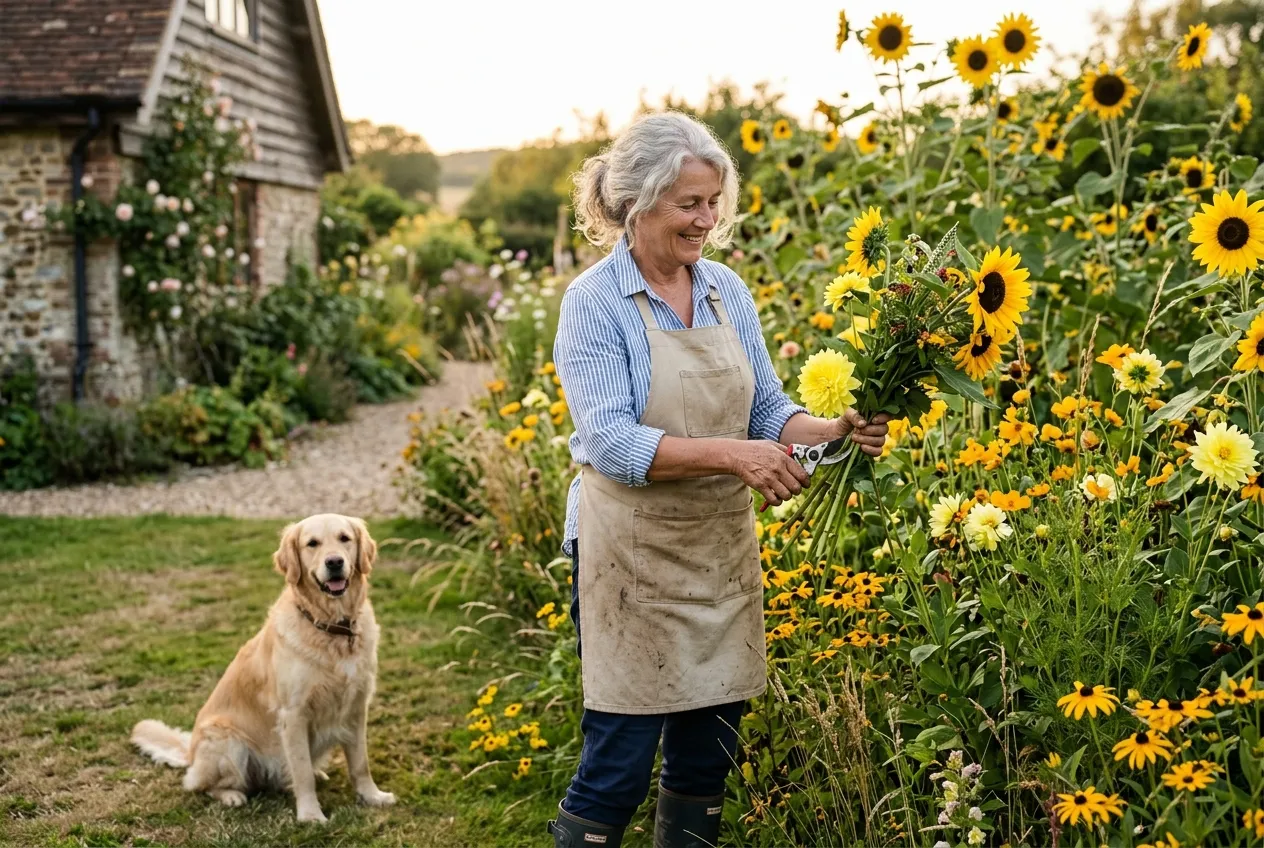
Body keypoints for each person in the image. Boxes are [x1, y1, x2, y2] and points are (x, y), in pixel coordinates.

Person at [548, 111, 890, 848]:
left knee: (707, 761)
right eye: (689, 204)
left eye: (713, 201)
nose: (707, 219)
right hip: (630, 558)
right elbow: (610, 441)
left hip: (714, 551)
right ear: (638, 205)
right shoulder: (595, 303)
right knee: (619, 767)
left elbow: (765, 407)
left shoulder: (725, 290)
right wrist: (735, 457)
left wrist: (831, 432)